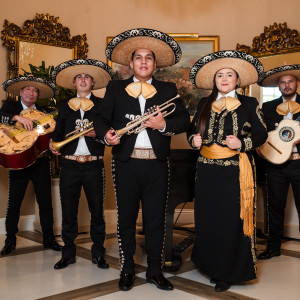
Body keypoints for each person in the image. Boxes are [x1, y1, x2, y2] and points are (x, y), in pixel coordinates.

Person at [94, 28, 190, 291]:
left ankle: (156, 271)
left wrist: (162, 125)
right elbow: (100, 119)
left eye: (149, 57)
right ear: (131, 63)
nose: (144, 61)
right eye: (139, 57)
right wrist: (106, 136)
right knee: (125, 218)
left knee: (155, 219)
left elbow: (182, 121)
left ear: (155, 64)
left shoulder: (167, 88)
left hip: (156, 162)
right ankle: (126, 270)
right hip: (126, 161)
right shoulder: (115, 88)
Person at [187, 50, 268, 292]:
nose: (224, 78)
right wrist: (193, 140)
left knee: (231, 221)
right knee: (209, 219)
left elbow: (262, 134)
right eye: (219, 75)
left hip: (234, 172)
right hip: (206, 172)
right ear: (214, 80)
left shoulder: (250, 103)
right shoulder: (203, 103)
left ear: (237, 80)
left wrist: (242, 144)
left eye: (229, 75)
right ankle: (209, 264)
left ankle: (227, 271)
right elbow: (191, 131)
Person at [50, 59, 114, 270]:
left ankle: (98, 254)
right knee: (69, 211)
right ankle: (68, 254)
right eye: (79, 77)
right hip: (69, 165)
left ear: (93, 82)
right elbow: (59, 131)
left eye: (87, 77)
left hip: (93, 165)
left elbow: (109, 134)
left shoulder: (103, 104)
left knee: (97, 212)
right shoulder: (64, 105)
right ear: (74, 83)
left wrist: (98, 135)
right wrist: (54, 142)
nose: (83, 80)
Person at [0, 76, 62, 255]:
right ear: (21, 92)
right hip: (19, 162)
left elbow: (52, 135)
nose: (31, 93)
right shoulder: (10, 107)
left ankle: (49, 240)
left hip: (40, 161)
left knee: (46, 202)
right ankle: (10, 240)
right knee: (14, 202)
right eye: (27, 89)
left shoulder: (45, 112)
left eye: (35, 91)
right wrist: (17, 117)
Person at [257, 65, 300, 260]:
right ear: (279, 86)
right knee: (274, 206)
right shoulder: (268, 107)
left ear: (297, 83)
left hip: (299, 162)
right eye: (283, 82)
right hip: (276, 165)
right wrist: (262, 149)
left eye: (290, 81)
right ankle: (273, 247)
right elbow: (261, 134)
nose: (287, 85)